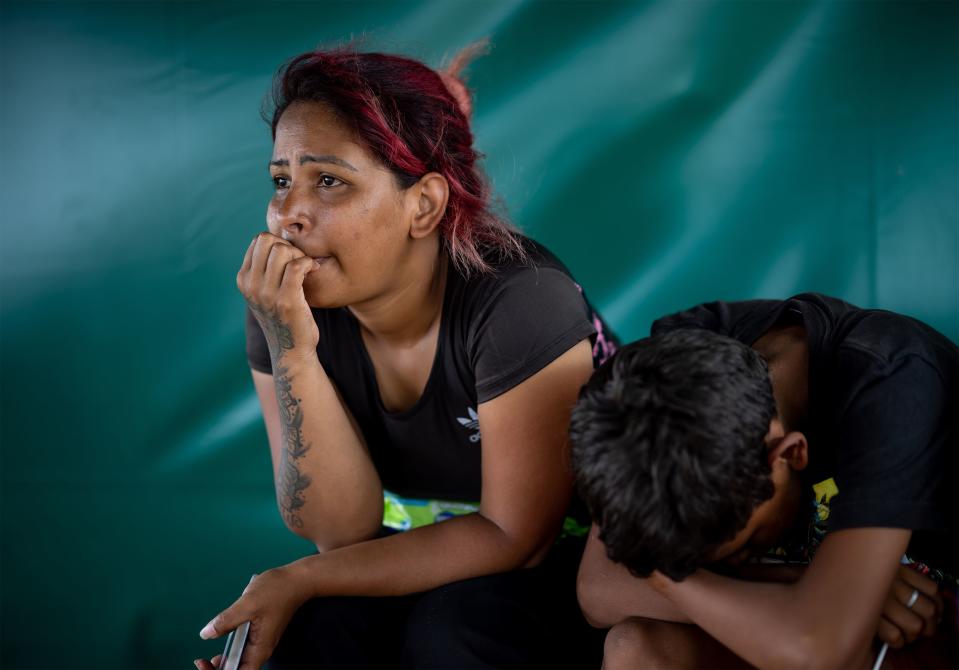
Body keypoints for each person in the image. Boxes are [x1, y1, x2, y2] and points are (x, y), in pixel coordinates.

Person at [195, 42, 616, 670]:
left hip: (585, 562)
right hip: (433, 555)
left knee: (455, 634)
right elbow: (342, 531)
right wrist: (293, 352)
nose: (287, 216)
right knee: (310, 635)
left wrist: (302, 577)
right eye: (281, 181)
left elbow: (515, 539)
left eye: (328, 181)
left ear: (424, 205)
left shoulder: (520, 301)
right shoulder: (287, 309)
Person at [570, 293, 957, 669]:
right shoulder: (662, 380)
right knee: (635, 649)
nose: (738, 562)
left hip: (931, 625)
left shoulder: (892, 384)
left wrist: (659, 576)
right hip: (804, 620)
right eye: (692, 565)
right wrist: (812, 586)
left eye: (747, 544)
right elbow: (599, 590)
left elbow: (819, 650)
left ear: (789, 454)